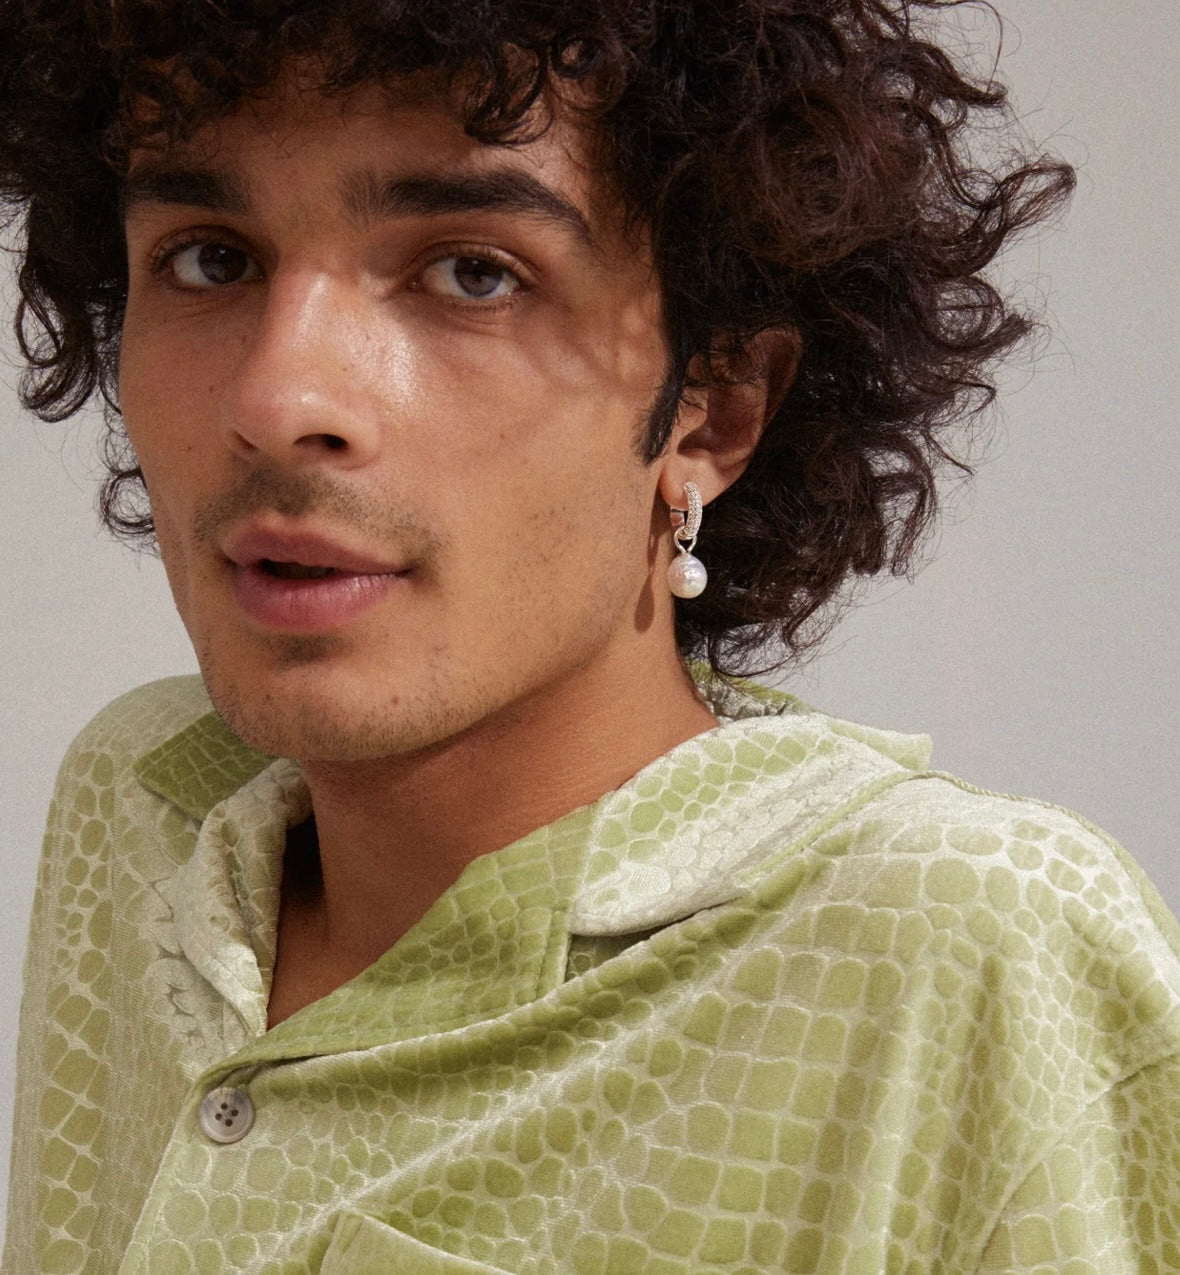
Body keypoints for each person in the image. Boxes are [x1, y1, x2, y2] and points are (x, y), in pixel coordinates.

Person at [2, 0, 1178, 1271]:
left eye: (472, 274)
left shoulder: (960, 951)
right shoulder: (145, 803)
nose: (280, 396)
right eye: (210, 260)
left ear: (713, 411)